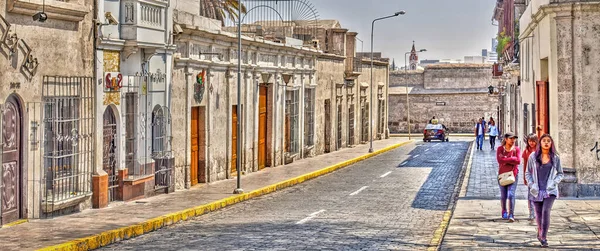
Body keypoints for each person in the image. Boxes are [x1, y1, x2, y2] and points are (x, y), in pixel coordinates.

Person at [525, 134, 564, 248]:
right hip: (536, 190)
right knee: (538, 214)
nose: (546, 143)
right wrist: (531, 184)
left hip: (550, 190)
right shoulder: (533, 156)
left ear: (551, 143)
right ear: (540, 143)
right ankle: (540, 230)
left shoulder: (555, 158)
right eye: (544, 141)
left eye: (548, 141)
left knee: (546, 211)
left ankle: (544, 237)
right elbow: (528, 173)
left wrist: (554, 182)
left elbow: (560, 173)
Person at [496, 132, 520, 222]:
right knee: (503, 195)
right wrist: (512, 159)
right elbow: (500, 160)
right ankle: (504, 210)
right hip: (502, 175)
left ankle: (511, 214)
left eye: (514, 139)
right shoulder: (500, 149)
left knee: (511, 194)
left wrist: (506, 159)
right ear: (506, 139)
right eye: (511, 138)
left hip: (513, 175)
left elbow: (518, 161)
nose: (513, 140)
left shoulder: (516, 149)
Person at [522, 133, 539, 221]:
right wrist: (524, 177)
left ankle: (538, 212)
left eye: (533, 141)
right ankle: (531, 213)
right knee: (530, 195)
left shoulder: (539, 151)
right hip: (530, 177)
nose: (531, 143)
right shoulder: (526, 151)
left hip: (539, 176)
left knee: (539, 194)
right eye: (530, 141)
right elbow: (525, 165)